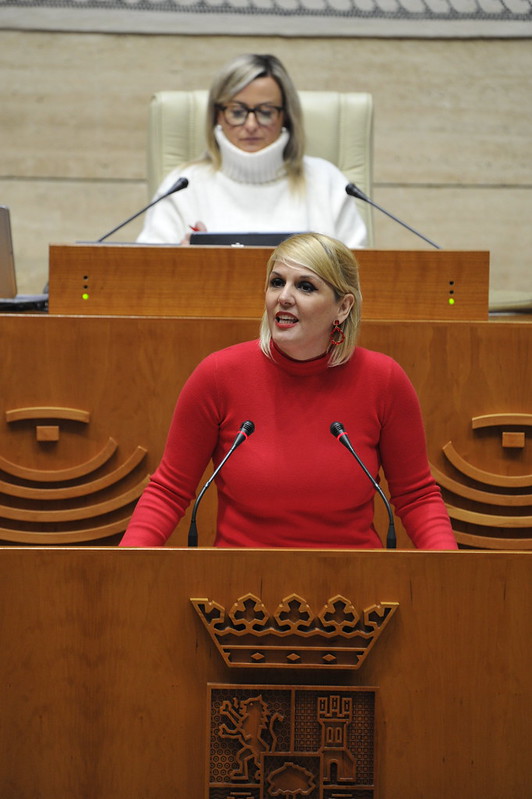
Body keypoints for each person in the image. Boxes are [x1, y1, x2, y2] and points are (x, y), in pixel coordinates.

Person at [120, 233, 457, 550]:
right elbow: (169, 492)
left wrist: (447, 570)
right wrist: (127, 564)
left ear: (343, 307)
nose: (284, 297)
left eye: (305, 286)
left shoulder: (383, 380)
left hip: (354, 594)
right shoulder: (219, 375)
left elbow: (416, 497)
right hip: (237, 595)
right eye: (277, 282)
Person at [136, 53, 367, 248]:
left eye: (265, 112)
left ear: (285, 115)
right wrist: (180, 261)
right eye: (237, 112)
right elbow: (148, 274)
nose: (251, 125)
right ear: (217, 114)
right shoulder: (183, 185)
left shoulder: (327, 181)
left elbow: (359, 275)